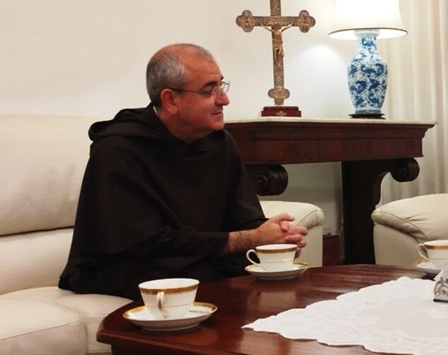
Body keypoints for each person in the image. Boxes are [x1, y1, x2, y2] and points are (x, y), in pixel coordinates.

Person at [59, 43, 308, 300]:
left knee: (263, 269)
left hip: (198, 257)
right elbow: (143, 243)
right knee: (208, 279)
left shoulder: (219, 141)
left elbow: (244, 218)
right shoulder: (118, 149)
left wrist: (275, 237)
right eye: (210, 91)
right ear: (170, 100)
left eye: (221, 86)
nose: (224, 99)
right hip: (132, 263)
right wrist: (250, 239)